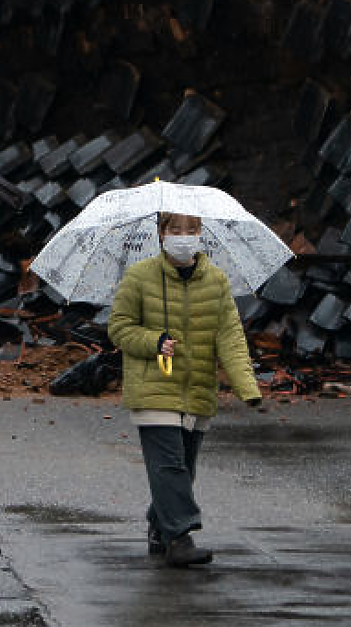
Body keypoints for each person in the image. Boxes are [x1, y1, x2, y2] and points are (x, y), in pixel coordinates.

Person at [107, 211, 263, 567]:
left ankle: (158, 525)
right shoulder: (139, 276)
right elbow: (118, 328)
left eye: (191, 229)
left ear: (200, 233)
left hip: (197, 391)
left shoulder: (216, 281)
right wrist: (153, 341)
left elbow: (229, 335)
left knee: (184, 470)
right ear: (161, 233)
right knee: (170, 467)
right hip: (154, 387)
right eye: (175, 229)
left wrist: (246, 386)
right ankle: (180, 536)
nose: (183, 236)